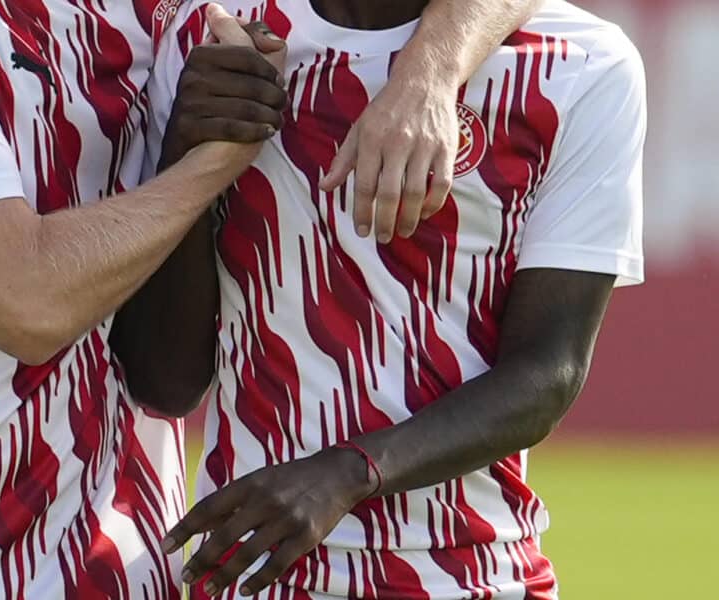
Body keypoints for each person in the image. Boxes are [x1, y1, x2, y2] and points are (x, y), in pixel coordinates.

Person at [0, 1, 539, 599]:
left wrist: (430, 73)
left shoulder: (159, 9)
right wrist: (207, 163)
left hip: (129, 567)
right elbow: (24, 303)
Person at [148, 1, 646, 598]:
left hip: (475, 576)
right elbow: (166, 383)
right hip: (255, 576)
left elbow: (548, 373)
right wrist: (186, 153)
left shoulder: (582, 64)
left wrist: (347, 473)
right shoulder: (213, 43)